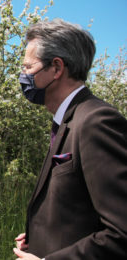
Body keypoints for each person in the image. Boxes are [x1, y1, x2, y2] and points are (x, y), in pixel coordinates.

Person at [13, 19, 127, 260]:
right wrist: (40, 235)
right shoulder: (66, 121)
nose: (23, 75)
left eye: (27, 67)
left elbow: (121, 232)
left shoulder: (96, 121)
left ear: (56, 68)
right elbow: (79, 207)